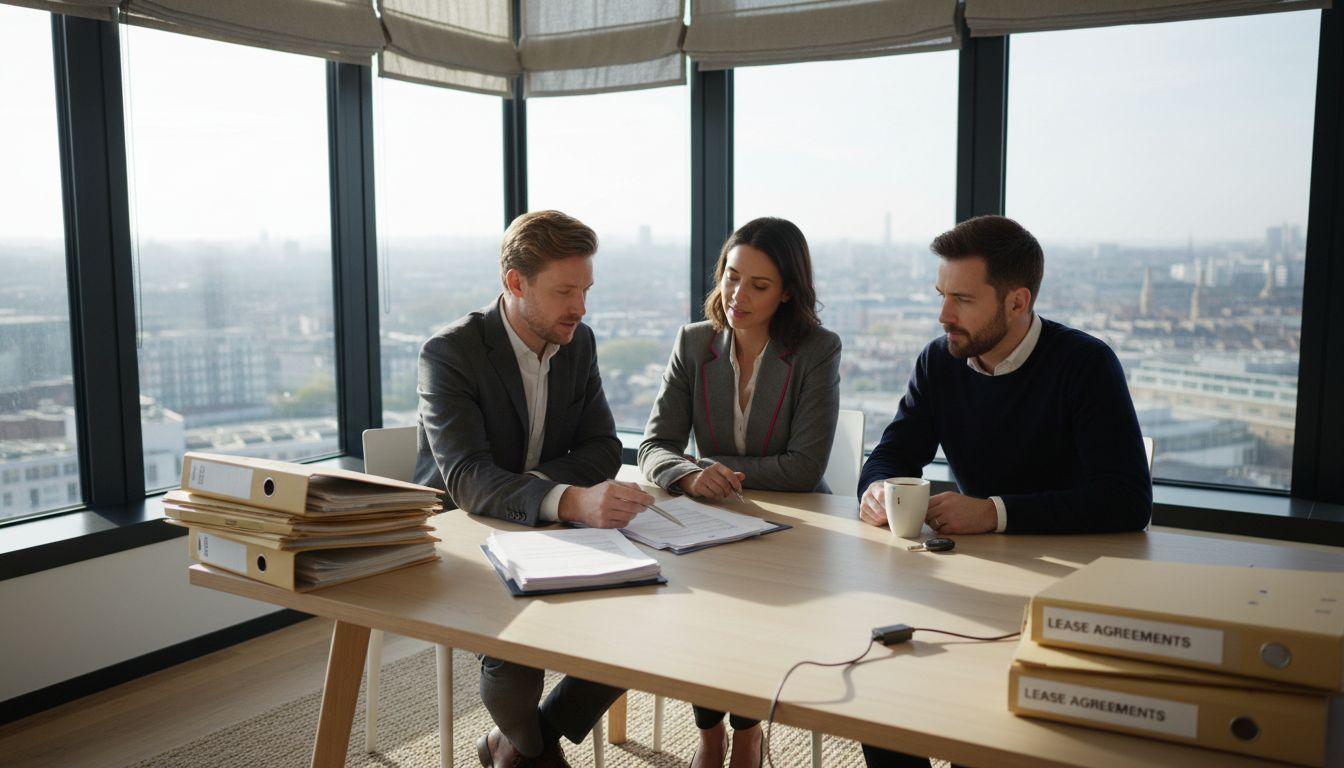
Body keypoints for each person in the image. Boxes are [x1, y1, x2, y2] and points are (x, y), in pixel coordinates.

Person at [857, 215, 1152, 768]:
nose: (944, 315)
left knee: (990, 733)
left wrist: (993, 513)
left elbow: (1126, 499)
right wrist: (876, 488)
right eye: (941, 295)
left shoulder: (1086, 365)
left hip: (1069, 590)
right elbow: (891, 454)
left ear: (1017, 302)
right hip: (974, 581)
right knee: (883, 696)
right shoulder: (939, 361)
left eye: (962, 299)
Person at [415, 209, 655, 768]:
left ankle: (520, 744)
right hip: (462, 535)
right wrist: (569, 498)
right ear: (515, 283)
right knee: (519, 649)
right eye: (565, 290)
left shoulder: (579, 342)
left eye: (586, 289)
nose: (581, 307)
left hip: (549, 529)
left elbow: (602, 447)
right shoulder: (450, 353)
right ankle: (536, 754)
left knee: (647, 610)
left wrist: (539, 492)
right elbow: (468, 479)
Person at [639, 216, 841, 768]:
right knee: (708, 604)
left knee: (755, 607)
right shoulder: (694, 342)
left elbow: (802, 469)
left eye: (759, 285)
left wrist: (711, 466)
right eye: (731, 277)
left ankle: (748, 732)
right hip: (713, 516)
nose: (737, 295)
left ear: (788, 293)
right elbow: (653, 446)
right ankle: (710, 734)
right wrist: (684, 475)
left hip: (795, 528)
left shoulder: (817, 350)